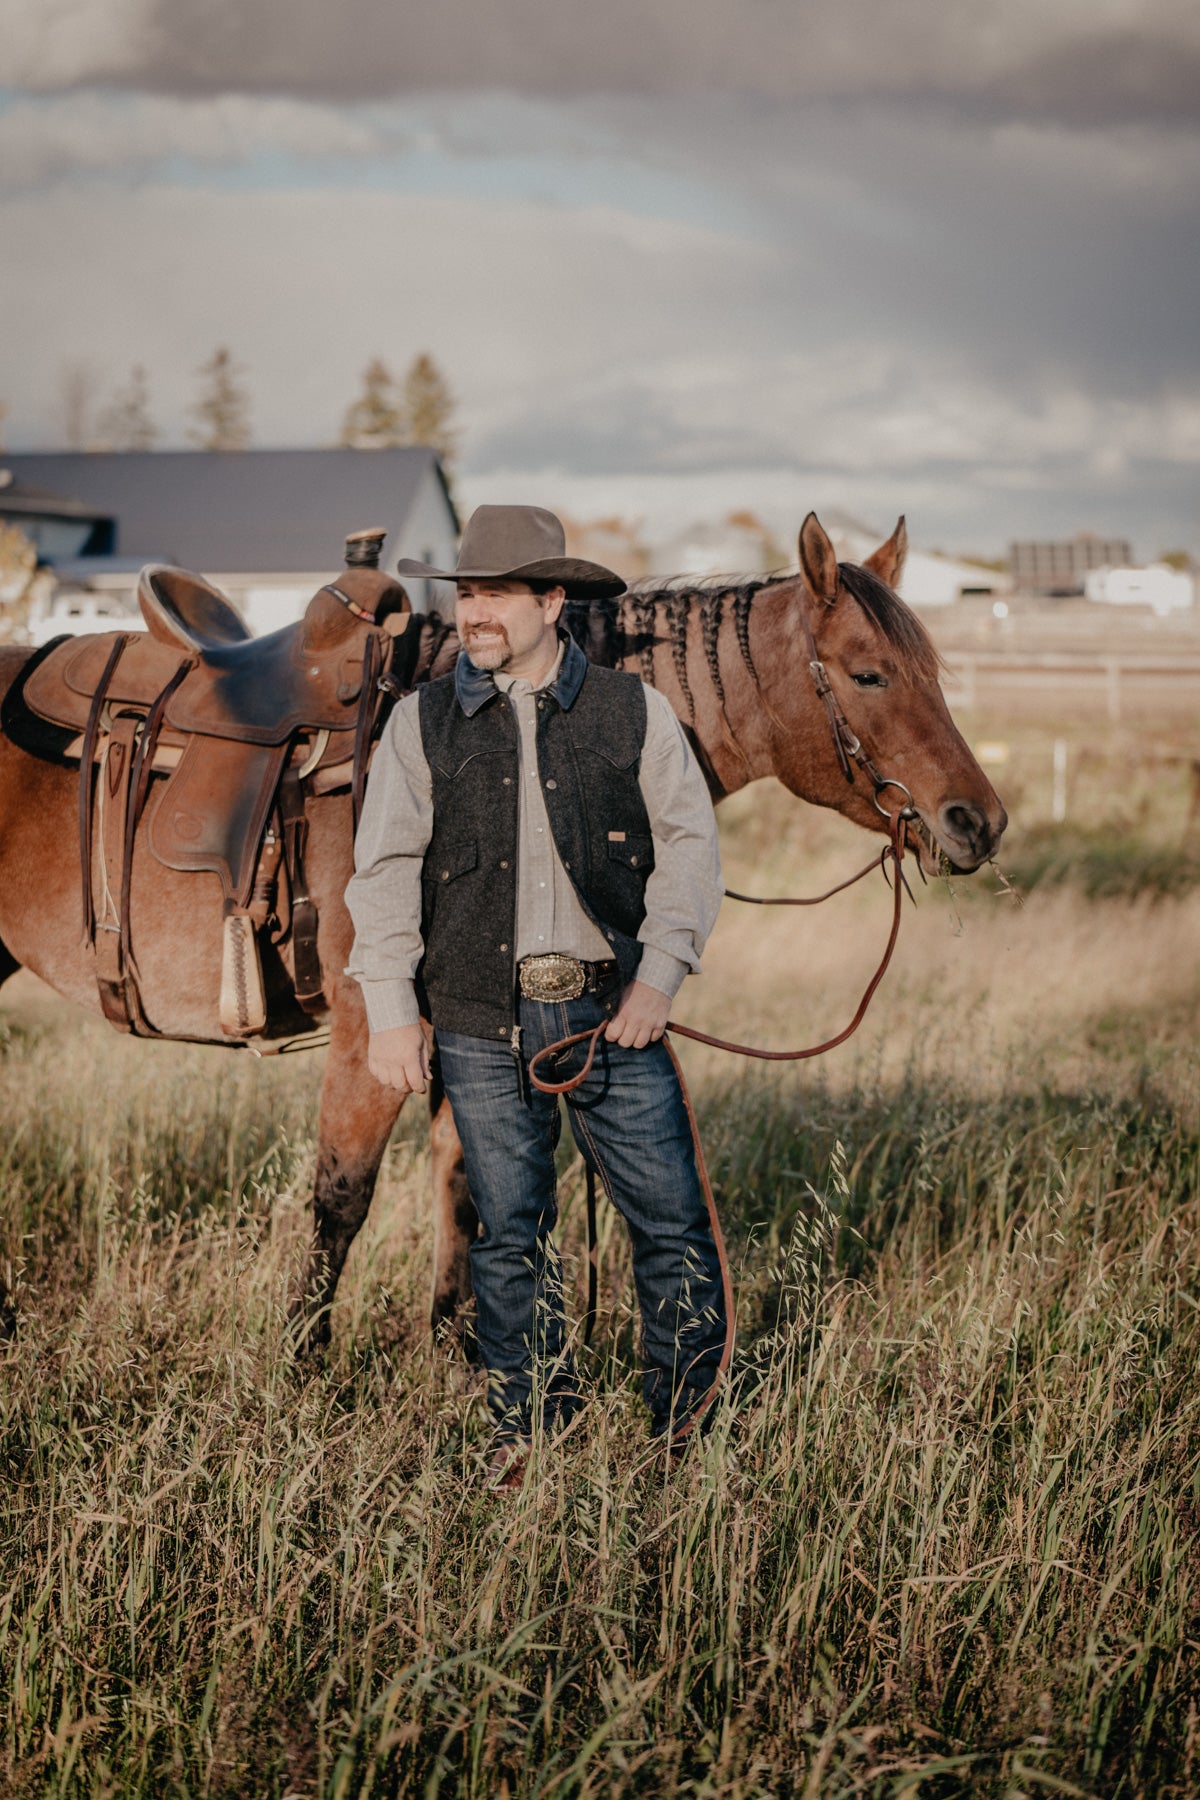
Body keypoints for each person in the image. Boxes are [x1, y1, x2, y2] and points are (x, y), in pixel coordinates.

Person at [346, 504, 726, 1481]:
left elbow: (690, 844)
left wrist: (660, 974)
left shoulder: (631, 712)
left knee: (672, 1225)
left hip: (612, 1017)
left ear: (552, 600)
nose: (474, 611)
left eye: (498, 593)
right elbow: (383, 871)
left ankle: (681, 1432)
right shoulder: (419, 722)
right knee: (509, 1233)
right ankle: (527, 1429)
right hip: (476, 1021)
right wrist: (392, 1010)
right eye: (466, 592)